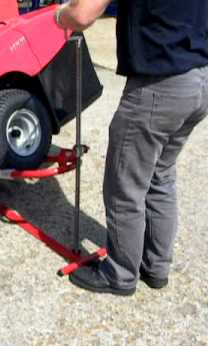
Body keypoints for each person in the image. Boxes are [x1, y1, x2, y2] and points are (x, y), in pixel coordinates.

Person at [54, 0, 208, 296]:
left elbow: (83, 13)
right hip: (198, 79)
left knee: (125, 186)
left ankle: (120, 274)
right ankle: (156, 267)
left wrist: (60, 15)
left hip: (159, 87)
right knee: (160, 176)